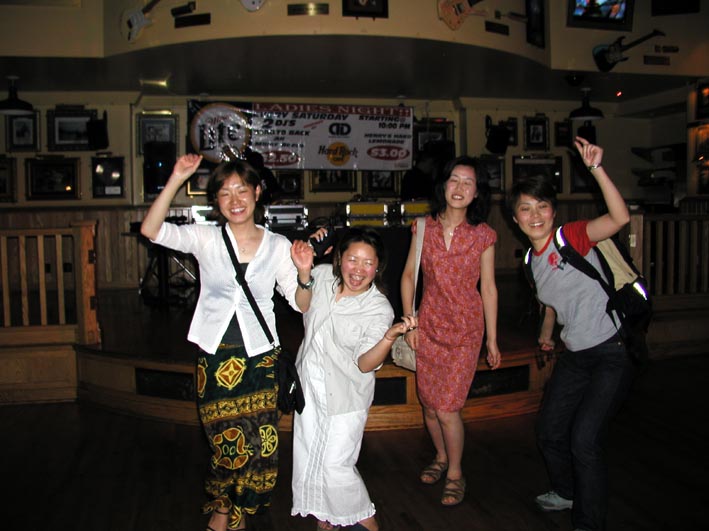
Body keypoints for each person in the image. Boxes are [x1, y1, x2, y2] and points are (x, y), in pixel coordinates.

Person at [141, 154, 309, 531]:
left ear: (257, 193)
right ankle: (223, 511)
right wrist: (176, 178)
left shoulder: (278, 245)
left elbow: (301, 304)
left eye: (242, 190)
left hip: (261, 358)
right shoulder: (206, 238)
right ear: (215, 201)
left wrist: (303, 274)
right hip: (215, 356)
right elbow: (151, 230)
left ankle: (238, 513)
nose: (235, 200)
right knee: (226, 444)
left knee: (260, 443)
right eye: (225, 193)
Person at [506, 137, 635, 531]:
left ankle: (588, 522)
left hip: (611, 351)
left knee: (584, 441)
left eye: (542, 206)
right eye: (525, 208)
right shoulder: (530, 261)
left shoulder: (572, 237)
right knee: (548, 431)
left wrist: (596, 168)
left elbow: (619, 218)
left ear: (553, 210)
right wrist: (547, 334)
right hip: (576, 354)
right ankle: (565, 492)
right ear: (515, 219)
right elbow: (550, 303)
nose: (535, 215)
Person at [289, 227, 417, 531]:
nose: (359, 270)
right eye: (353, 259)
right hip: (310, 390)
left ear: (378, 267)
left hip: (345, 397)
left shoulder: (378, 308)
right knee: (311, 459)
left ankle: (368, 523)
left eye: (368, 263)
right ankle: (326, 519)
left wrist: (388, 338)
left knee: (336, 466)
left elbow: (365, 363)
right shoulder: (322, 277)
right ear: (339, 259)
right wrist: (305, 271)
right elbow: (303, 304)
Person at [400, 155, 502, 506]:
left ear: (477, 192)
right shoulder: (422, 227)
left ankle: (456, 473)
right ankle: (441, 456)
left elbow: (489, 288)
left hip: (465, 331)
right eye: (454, 180)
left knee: (447, 408)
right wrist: (409, 321)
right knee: (429, 406)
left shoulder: (483, 235)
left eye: (468, 182)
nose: (459, 188)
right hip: (428, 326)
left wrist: (492, 339)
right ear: (443, 185)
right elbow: (409, 276)